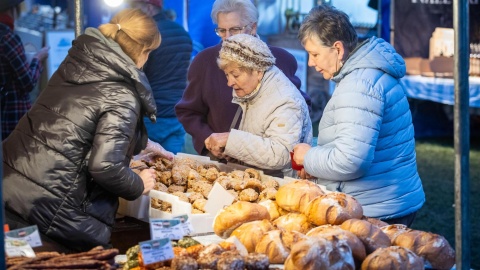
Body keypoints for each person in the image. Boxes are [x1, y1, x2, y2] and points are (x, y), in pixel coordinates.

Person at [3, 8, 173, 252]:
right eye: (149, 53)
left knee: (17, 261)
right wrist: (138, 183)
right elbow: (105, 167)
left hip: (14, 190)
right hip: (53, 212)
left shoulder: (77, 65)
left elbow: (73, 125)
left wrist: (137, 145)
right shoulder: (122, 94)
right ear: (142, 51)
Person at [292, 5, 425, 226]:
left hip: (377, 210)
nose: (310, 63)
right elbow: (353, 141)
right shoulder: (365, 75)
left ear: (337, 49)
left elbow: (351, 161)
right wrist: (315, 155)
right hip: (388, 201)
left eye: (315, 54)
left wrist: (308, 157)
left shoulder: (359, 85)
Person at [175, 0, 312, 158]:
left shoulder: (280, 59)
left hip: (268, 161)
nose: (227, 38)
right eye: (221, 30)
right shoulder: (204, 61)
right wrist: (208, 141)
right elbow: (188, 111)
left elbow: (300, 106)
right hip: (221, 163)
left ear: (252, 27)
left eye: (234, 30)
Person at [206, 33, 312, 177]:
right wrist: (233, 151)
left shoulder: (285, 101)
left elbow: (281, 154)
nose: (229, 82)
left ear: (258, 71)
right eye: (227, 75)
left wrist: (231, 140)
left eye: (235, 75)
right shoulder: (255, 89)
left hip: (280, 186)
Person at [129, 0, 193, 154]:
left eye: (137, 9)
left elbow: (136, 78)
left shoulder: (146, 36)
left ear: (150, 8)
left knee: (145, 170)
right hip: (176, 115)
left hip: (150, 118)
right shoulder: (183, 34)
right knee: (173, 169)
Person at [0, 0, 49, 139]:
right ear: (12, 10)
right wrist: (38, 59)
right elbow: (27, 82)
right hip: (12, 118)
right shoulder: (8, 38)